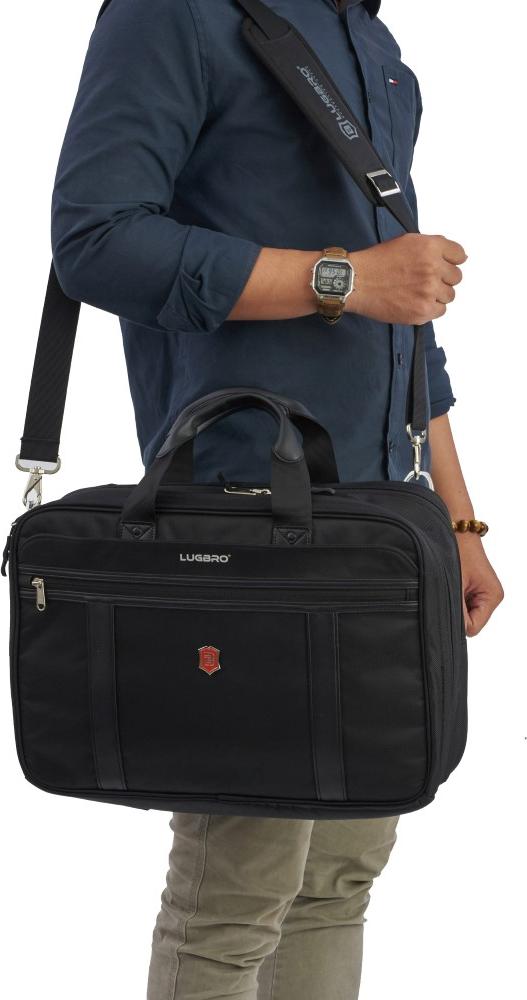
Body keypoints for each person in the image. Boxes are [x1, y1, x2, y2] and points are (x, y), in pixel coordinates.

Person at [50, 1, 504, 997]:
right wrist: (339, 277)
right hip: (242, 519)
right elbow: (96, 241)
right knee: (235, 891)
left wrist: (458, 520)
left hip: (382, 533)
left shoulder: (368, 39)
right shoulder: (176, 12)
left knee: (337, 878)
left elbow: (404, 320)